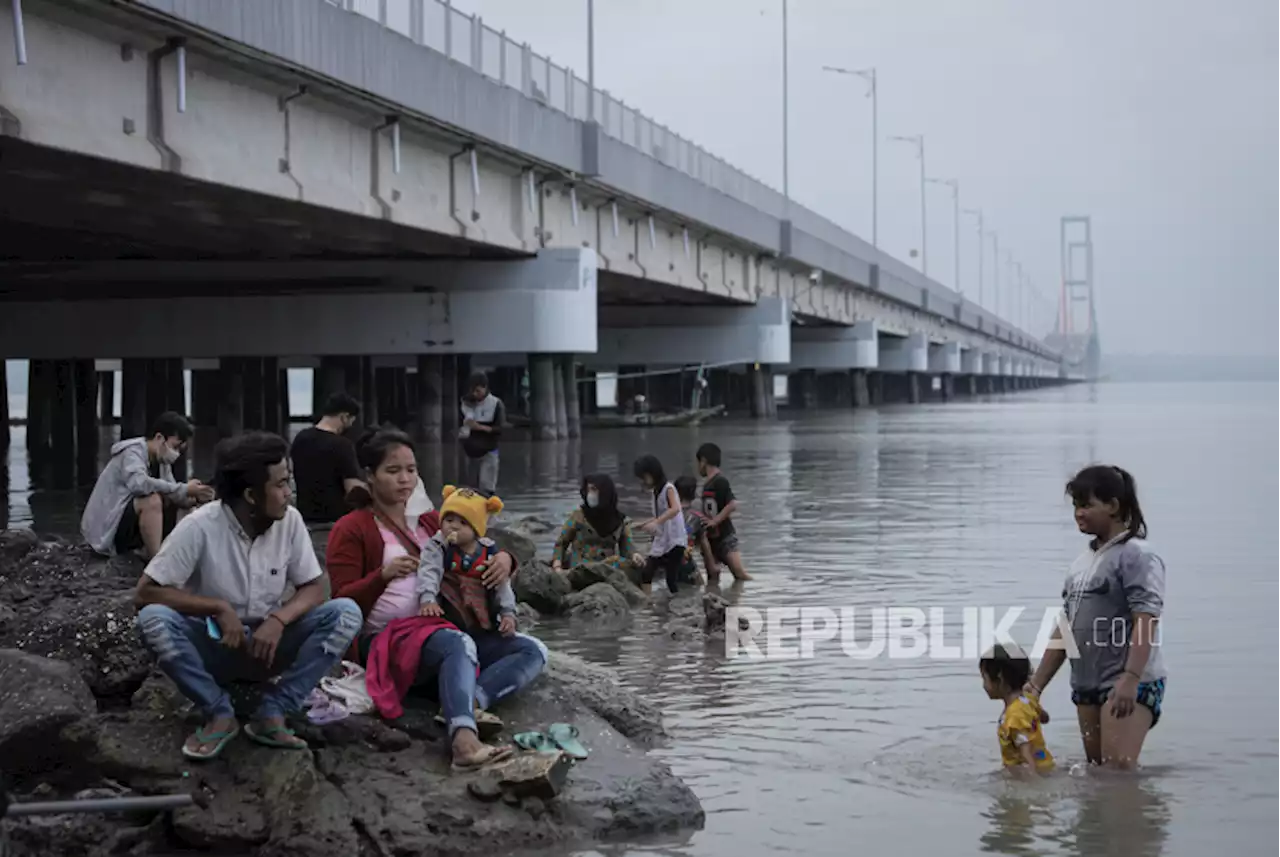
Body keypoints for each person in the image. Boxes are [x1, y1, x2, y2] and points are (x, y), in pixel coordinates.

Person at [133, 432, 362, 761]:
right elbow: (145, 592)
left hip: (268, 647)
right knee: (153, 620)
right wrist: (217, 608)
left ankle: (274, 710)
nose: (289, 493)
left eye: (289, 481)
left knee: (345, 612)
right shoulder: (199, 526)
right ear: (251, 495)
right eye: (281, 484)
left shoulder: (290, 521)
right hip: (215, 645)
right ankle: (218, 711)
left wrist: (279, 619)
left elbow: (313, 586)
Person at [324, 429, 534, 771]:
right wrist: (382, 576)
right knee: (457, 643)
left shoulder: (428, 521)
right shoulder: (351, 528)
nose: (405, 479)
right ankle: (464, 742)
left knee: (530, 649)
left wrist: (506, 559)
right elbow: (341, 603)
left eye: (411, 469)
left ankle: (467, 700)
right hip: (387, 640)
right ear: (370, 476)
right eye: (393, 471)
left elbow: (474, 545)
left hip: (441, 629)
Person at [1026, 465, 1166, 770]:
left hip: (1128, 680)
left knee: (1117, 774)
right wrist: (1036, 686)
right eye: (1076, 505)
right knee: (1095, 775)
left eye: (1087, 505)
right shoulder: (1080, 563)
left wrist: (1130, 678)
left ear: (1114, 506)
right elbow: (1067, 628)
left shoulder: (1137, 555)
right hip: (1086, 683)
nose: (1078, 512)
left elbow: (1146, 618)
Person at [82, 411, 214, 559]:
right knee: (152, 500)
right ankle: (156, 560)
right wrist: (183, 488)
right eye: (175, 447)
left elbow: (173, 491)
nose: (176, 453)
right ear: (159, 438)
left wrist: (194, 495)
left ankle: (184, 551)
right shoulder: (132, 453)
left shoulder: (161, 461)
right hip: (106, 530)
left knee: (179, 500)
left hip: (124, 524)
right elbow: (139, 484)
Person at [981, 643, 1054, 776]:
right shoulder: (1027, 699)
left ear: (1000, 678)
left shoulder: (1013, 716)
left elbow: (1025, 750)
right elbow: (1045, 718)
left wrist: (1032, 780)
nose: (983, 685)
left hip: (1024, 772)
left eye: (985, 678)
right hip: (1044, 762)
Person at [291, 392, 364, 525]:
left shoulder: (300, 439)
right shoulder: (342, 445)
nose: (351, 426)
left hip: (305, 521)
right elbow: (353, 489)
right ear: (344, 417)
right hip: (335, 522)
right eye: (351, 421)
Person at [550, 474, 642, 574]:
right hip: (580, 569)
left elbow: (627, 546)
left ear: (605, 492)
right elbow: (561, 542)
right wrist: (557, 566)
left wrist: (634, 555)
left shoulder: (620, 521)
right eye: (588, 490)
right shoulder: (579, 516)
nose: (590, 494)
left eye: (594, 489)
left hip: (607, 569)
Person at [695, 442, 752, 582]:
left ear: (703, 461)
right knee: (712, 577)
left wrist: (715, 521)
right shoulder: (707, 484)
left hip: (725, 536)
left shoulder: (720, 481)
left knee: (740, 575)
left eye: (698, 463)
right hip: (711, 540)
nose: (698, 467)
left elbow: (732, 504)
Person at [633, 455, 688, 595]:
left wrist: (656, 523)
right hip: (662, 540)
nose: (643, 481)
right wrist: (643, 524)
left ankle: (674, 607)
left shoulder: (668, 488)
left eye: (644, 477)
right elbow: (659, 516)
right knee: (647, 572)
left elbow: (675, 508)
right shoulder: (656, 492)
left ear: (652, 473)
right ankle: (648, 603)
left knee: (670, 579)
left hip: (674, 541)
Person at [459, 371, 504, 496]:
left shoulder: (496, 404)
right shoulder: (466, 403)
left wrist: (479, 427)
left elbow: (500, 429)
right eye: (472, 391)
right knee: (470, 490)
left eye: (478, 391)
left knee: (486, 488)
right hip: (470, 453)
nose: (475, 394)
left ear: (485, 388)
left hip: (489, 451)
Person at [674, 475, 715, 585]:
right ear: (694, 493)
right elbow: (704, 543)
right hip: (686, 563)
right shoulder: (697, 517)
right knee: (700, 586)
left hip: (664, 563)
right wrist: (712, 569)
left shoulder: (667, 514)